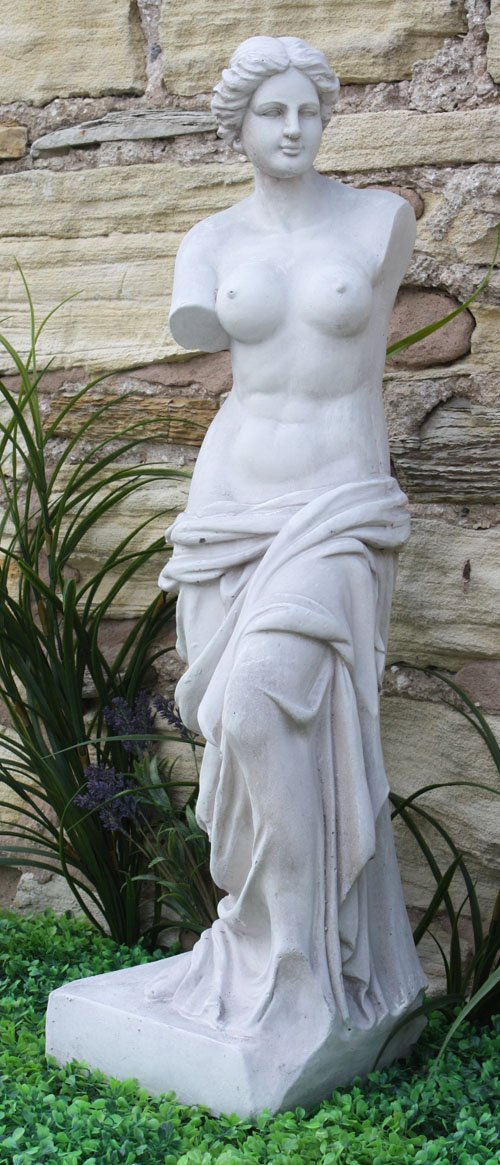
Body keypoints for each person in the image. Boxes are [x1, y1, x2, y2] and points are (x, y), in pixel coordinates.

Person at [149, 35, 426, 1080]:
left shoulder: (376, 221)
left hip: (335, 508)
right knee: (233, 726)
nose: (294, 127)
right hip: (229, 512)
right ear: (238, 125)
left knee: (262, 700)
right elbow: (206, 335)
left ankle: (305, 964)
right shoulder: (210, 240)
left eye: (309, 108)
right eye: (272, 110)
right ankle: (269, 938)